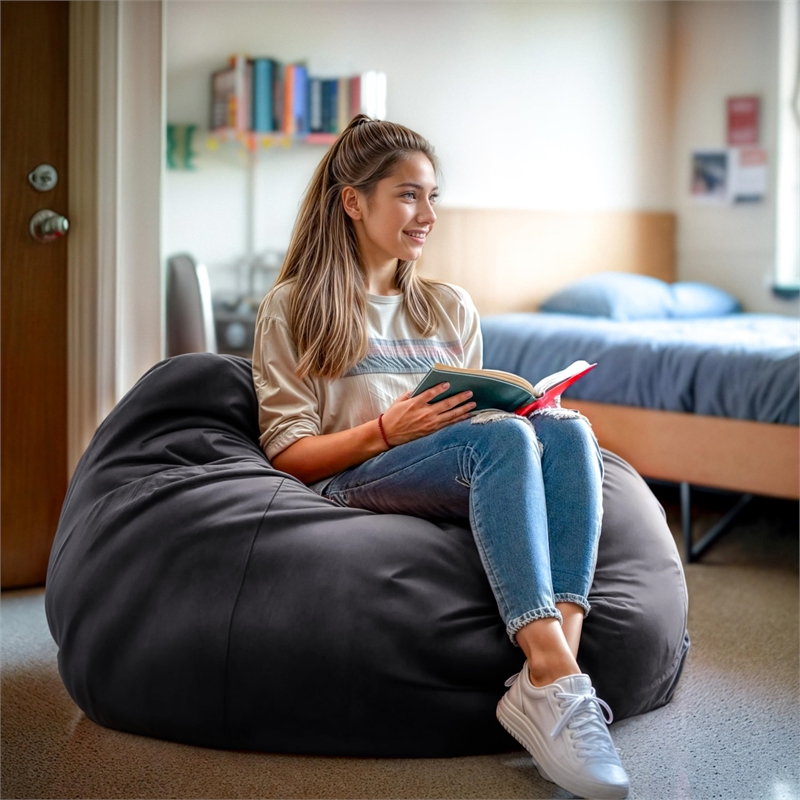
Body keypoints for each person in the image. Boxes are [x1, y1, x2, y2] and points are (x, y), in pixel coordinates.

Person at [252, 114, 629, 800]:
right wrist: (384, 432)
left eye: (433, 196)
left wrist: (523, 411)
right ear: (352, 201)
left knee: (566, 428)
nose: (428, 215)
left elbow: (481, 426)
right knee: (505, 438)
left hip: (450, 466)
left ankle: (555, 674)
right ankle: (550, 672)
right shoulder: (293, 308)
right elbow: (288, 457)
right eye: (408, 195)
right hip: (354, 477)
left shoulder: (449, 307)